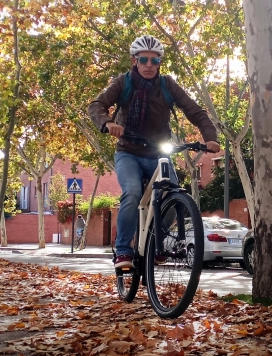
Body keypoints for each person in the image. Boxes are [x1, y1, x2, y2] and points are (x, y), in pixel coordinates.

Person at [88, 35, 220, 269]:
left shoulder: (168, 85)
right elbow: (96, 105)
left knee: (176, 197)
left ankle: (153, 242)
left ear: (159, 62)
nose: (149, 64)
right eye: (144, 59)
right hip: (128, 152)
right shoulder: (123, 82)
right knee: (132, 192)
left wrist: (210, 138)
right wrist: (108, 123)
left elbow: (196, 112)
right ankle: (123, 251)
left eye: (155, 60)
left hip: (158, 152)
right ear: (135, 60)